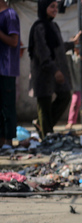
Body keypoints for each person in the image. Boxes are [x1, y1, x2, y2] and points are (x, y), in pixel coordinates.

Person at [28, 0, 81, 137]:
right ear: (44, 7)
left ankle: (42, 124)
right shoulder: (38, 27)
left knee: (65, 96)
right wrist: (54, 70)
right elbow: (42, 52)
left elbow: (58, 47)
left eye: (56, 7)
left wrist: (72, 43)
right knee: (44, 104)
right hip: (43, 72)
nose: (55, 10)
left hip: (55, 71)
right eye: (52, 6)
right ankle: (46, 137)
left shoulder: (53, 26)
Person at [0, 0, 19, 149]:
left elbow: (14, 41)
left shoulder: (10, 15)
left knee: (7, 106)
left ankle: (8, 140)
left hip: (6, 69)